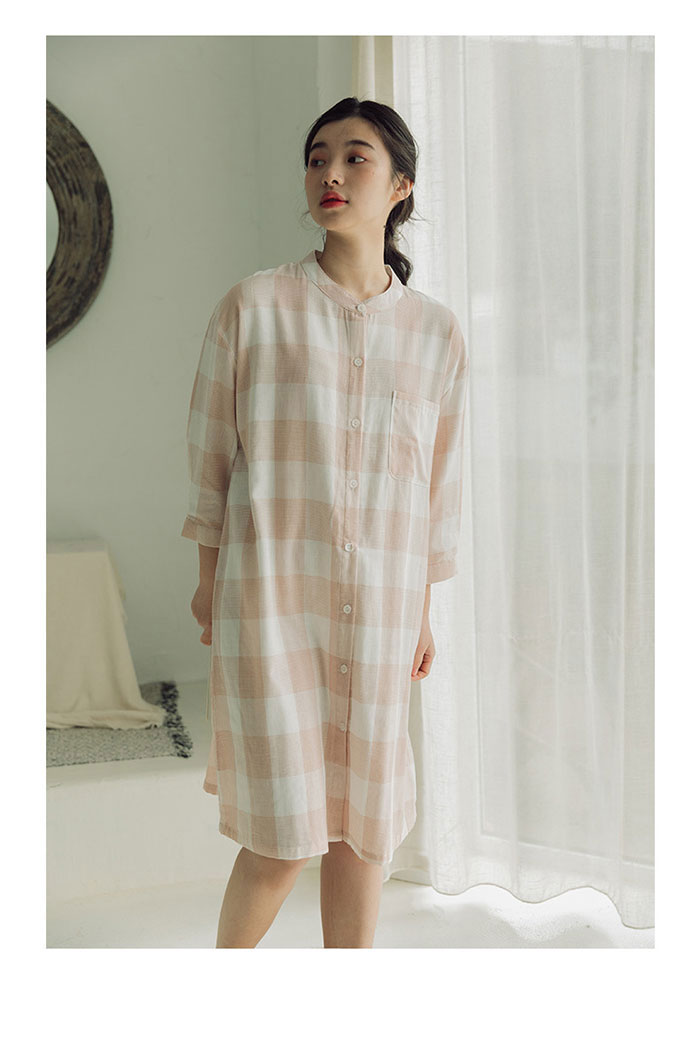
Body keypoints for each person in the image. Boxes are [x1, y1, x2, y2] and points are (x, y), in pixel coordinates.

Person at [182, 96, 469, 948]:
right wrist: (208, 583)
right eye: (316, 158)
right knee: (282, 837)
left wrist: (420, 612)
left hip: (382, 613)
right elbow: (209, 459)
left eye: (354, 157)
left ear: (401, 186)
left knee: (362, 830)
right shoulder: (254, 307)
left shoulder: (437, 334)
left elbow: (436, 490)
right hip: (270, 607)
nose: (330, 174)